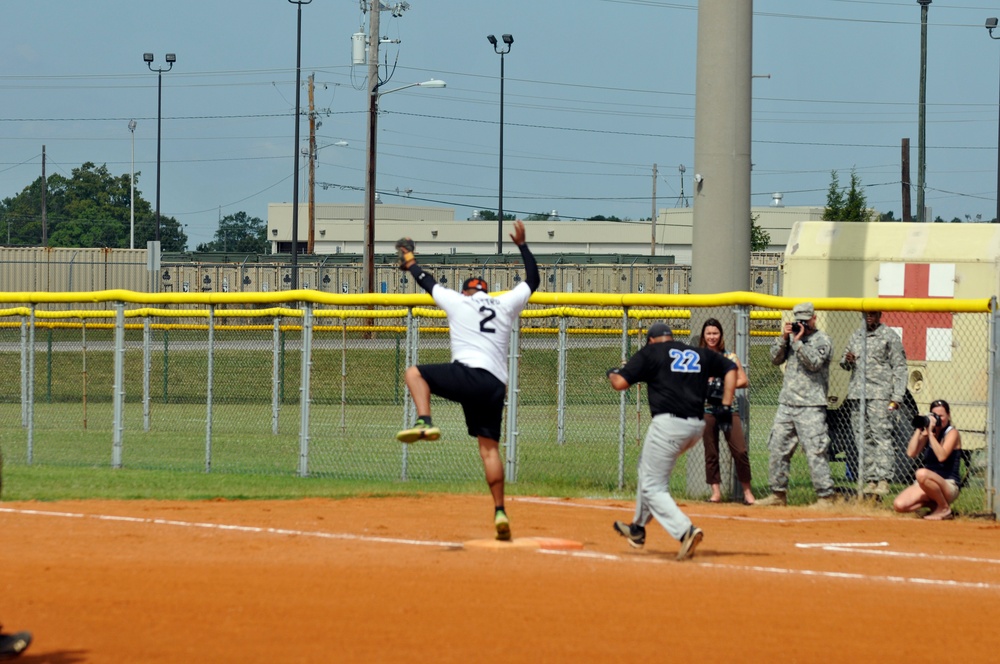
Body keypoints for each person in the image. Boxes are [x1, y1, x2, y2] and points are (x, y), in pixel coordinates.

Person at [394, 221, 540, 541]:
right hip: (494, 387)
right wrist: (522, 245)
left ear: (466, 292)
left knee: (414, 373)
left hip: (468, 374)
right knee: (489, 451)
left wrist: (410, 260)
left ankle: (424, 421)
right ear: (486, 292)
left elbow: (426, 281)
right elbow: (533, 279)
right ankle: (500, 511)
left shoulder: (457, 301)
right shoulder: (504, 303)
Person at [609, 323, 738, 561]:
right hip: (695, 427)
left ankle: (685, 531)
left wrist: (612, 373)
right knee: (646, 470)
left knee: (653, 486)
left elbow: (620, 383)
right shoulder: (697, 352)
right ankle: (637, 528)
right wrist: (726, 406)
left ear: (651, 340)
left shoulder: (651, 351)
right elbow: (731, 368)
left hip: (668, 426)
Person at [757, 302, 837, 507]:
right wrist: (784, 339)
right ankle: (778, 494)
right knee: (778, 448)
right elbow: (774, 359)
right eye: (798, 320)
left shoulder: (822, 340)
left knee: (815, 451)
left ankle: (826, 497)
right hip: (787, 403)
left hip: (811, 405)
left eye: (805, 320)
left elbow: (814, 363)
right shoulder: (790, 338)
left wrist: (799, 342)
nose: (802, 324)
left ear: (814, 319)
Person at [839, 310, 907, 497]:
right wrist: (847, 360)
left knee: (881, 437)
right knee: (862, 438)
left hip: (879, 395)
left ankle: (884, 480)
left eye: (872, 314)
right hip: (857, 395)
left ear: (879, 315)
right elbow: (843, 362)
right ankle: (871, 480)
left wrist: (897, 396)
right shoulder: (856, 335)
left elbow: (900, 366)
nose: (868, 317)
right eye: (866, 314)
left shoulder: (888, 336)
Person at [698, 318, 754, 505]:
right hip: (707, 409)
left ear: (720, 335)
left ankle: (748, 493)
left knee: (740, 451)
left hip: (729, 408)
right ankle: (716, 493)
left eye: (715, 333)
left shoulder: (730, 357)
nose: (712, 337)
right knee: (711, 452)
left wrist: (724, 384)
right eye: (708, 333)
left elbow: (743, 380)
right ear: (703, 336)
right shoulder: (698, 357)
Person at [892, 399, 962, 520]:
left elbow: (942, 456)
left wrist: (931, 435)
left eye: (941, 416)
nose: (938, 419)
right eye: (935, 416)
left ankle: (944, 508)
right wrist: (920, 429)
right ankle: (934, 506)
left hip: (948, 484)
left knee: (921, 473)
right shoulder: (929, 432)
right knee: (899, 505)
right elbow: (911, 453)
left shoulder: (952, 433)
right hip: (927, 485)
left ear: (948, 415)